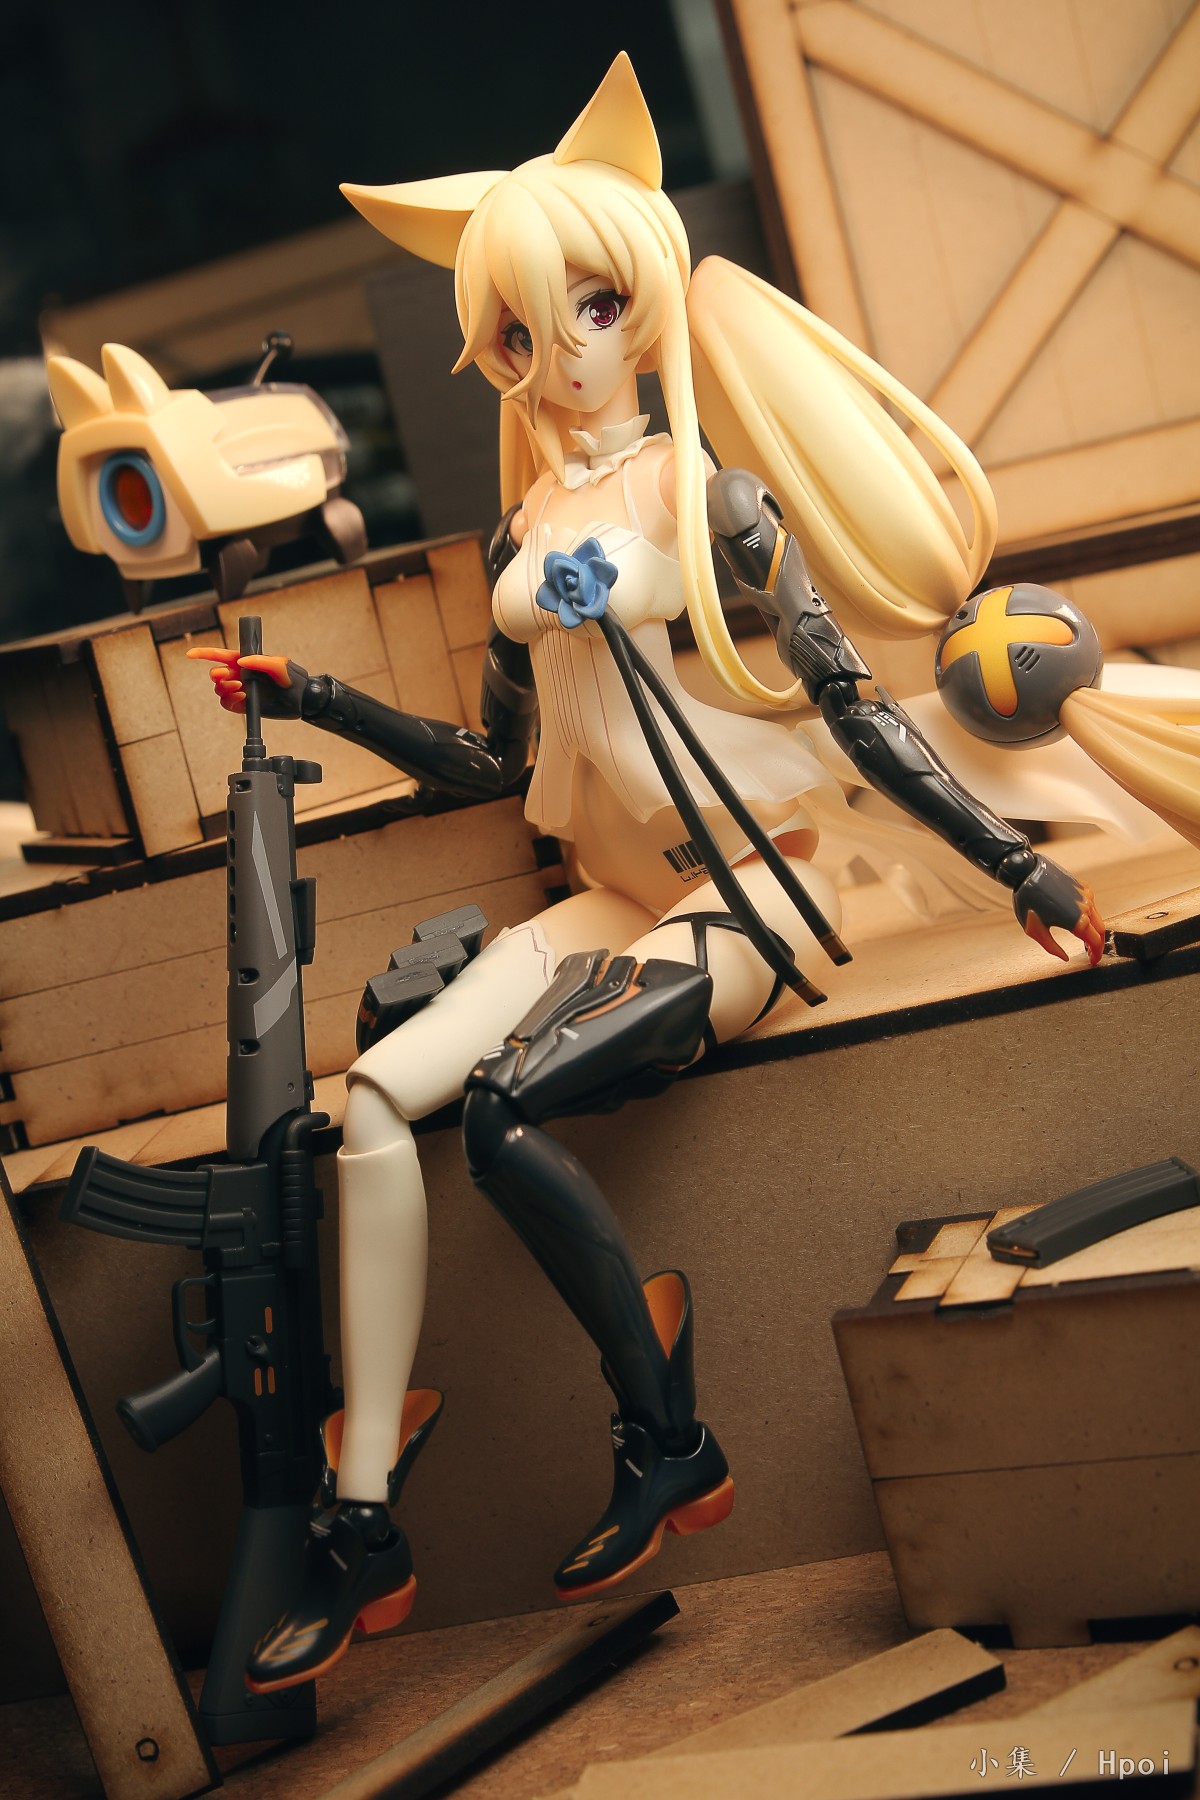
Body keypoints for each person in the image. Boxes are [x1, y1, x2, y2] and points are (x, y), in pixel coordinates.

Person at [192, 54, 1106, 1691]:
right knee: (377, 1098)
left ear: (647, 303)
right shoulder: (520, 533)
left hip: (758, 883)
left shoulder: (717, 501)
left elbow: (856, 709)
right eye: (518, 334)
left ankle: (667, 1438)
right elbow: (492, 763)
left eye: (593, 308)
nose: (560, 356)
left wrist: (1016, 871)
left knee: (503, 1110)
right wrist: (312, 695)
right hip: (615, 890)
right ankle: (365, 1510)